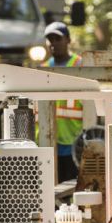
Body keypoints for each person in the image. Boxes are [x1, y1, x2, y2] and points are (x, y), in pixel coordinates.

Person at [43, 21, 84, 182]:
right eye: (50, 39)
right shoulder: (43, 68)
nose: (53, 43)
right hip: (49, 141)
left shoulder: (81, 66)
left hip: (75, 139)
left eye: (57, 39)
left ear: (68, 40)